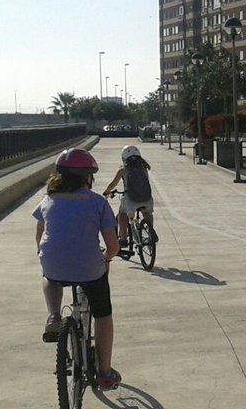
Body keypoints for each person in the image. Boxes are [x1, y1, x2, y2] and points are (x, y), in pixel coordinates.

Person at [34, 148, 123, 391]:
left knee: (49, 276)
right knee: (103, 314)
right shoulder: (97, 203)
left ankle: (54, 315)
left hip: (54, 263)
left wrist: (45, 256)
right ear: (87, 176)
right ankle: (104, 372)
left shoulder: (47, 200)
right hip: (89, 268)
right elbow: (113, 246)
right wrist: (106, 258)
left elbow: (39, 236)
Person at [102, 145, 157, 250]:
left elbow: (113, 184)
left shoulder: (123, 170)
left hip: (131, 201)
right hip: (147, 199)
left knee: (122, 215)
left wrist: (107, 191)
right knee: (147, 213)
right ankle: (151, 232)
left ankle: (123, 238)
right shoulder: (144, 169)